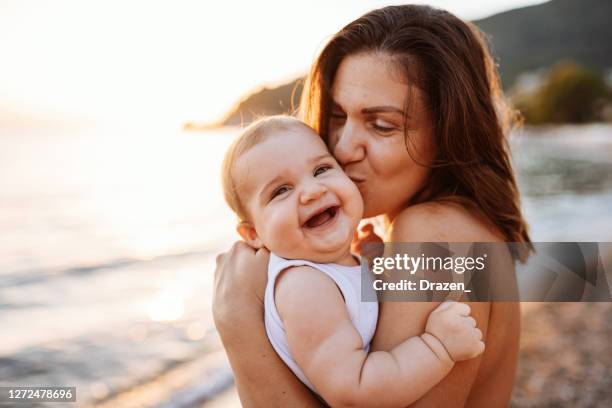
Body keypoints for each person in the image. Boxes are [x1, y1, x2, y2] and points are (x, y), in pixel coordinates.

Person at [213, 4, 531, 407]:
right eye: (337, 116)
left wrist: (239, 328)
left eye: (381, 125)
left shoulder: (433, 232)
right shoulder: (461, 226)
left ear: (449, 132)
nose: (343, 149)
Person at [220, 115, 485, 407]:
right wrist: (437, 347)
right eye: (281, 190)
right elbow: (355, 393)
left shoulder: (328, 271)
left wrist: (370, 268)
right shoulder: (304, 287)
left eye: (321, 169)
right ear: (254, 234)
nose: (312, 191)